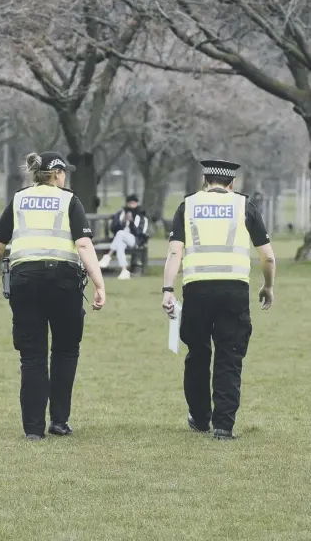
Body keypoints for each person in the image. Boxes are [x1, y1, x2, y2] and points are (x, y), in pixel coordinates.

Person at [0, 150, 106, 441]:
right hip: (64, 282)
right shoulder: (69, 200)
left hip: (25, 282)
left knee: (32, 356)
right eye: (64, 172)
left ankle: (32, 429)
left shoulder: (19, 199)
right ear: (57, 173)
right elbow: (85, 245)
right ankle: (59, 421)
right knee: (65, 351)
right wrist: (99, 283)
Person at [162, 159, 276, 440]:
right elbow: (268, 256)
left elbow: (175, 252)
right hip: (233, 291)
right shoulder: (243, 206)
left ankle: (200, 419)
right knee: (229, 356)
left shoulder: (187, 205)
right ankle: (224, 426)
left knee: (198, 354)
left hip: (196, 289)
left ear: (205, 181)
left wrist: (167, 290)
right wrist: (268, 286)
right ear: (231, 184)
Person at [98, 194, 149, 280]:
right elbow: (113, 228)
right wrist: (124, 222)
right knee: (120, 245)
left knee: (120, 233)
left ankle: (108, 256)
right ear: (128, 204)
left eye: (134, 203)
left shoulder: (141, 217)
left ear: (137, 204)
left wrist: (131, 222)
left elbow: (140, 233)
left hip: (134, 240)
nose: (132, 205)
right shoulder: (121, 214)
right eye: (130, 203)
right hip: (121, 239)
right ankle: (124, 270)